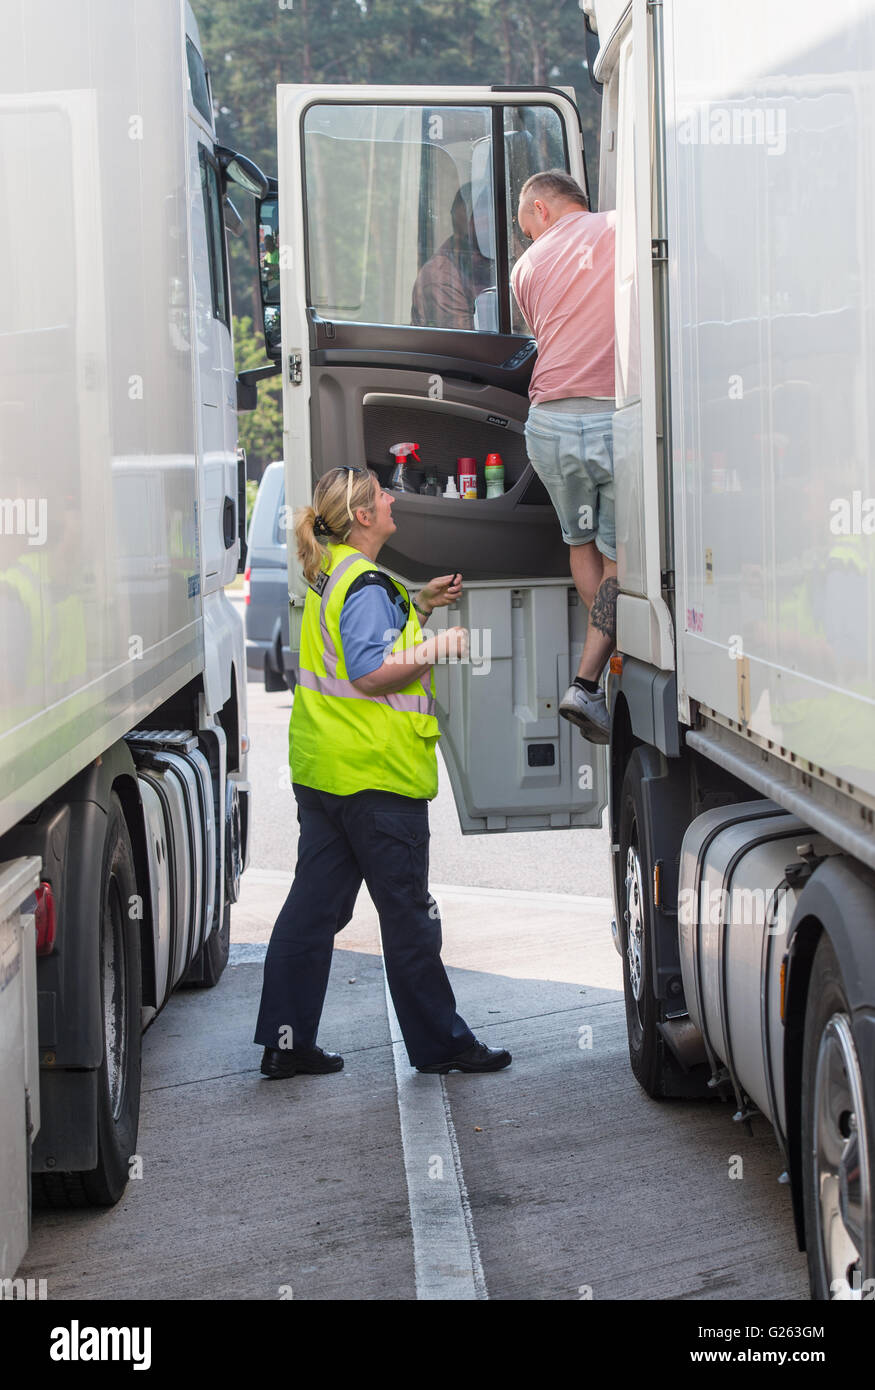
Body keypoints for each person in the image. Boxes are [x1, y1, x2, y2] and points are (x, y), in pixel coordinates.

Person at [253, 465, 512, 1078]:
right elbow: (370, 672)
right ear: (364, 517)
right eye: (381, 494)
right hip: (376, 779)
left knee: (312, 912)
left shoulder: (333, 571)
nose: (392, 498)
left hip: (327, 774)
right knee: (409, 919)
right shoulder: (364, 582)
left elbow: (360, 645)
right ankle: (443, 1045)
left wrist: (417, 605)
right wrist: (439, 646)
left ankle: (286, 1046)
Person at [511, 169, 618, 745]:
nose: (528, 238)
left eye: (526, 225)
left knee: (581, 545)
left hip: (550, 423)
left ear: (542, 210)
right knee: (621, 560)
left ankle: (597, 672)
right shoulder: (619, 229)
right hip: (612, 419)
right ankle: (590, 677)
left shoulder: (524, 269)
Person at [411, 183, 493, 331]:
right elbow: (471, 343)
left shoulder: (489, 256)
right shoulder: (441, 276)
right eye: (486, 212)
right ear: (470, 221)